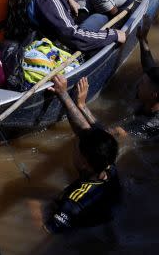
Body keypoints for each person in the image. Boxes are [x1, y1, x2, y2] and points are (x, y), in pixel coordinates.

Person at [35, 75, 121, 233]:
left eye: (76, 146)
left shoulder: (73, 203)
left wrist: (37, 205)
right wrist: (64, 95)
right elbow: (85, 130)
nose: (74, 144)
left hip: (85, 225)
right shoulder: (108, 165)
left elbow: (47, 231)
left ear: (84, 162)